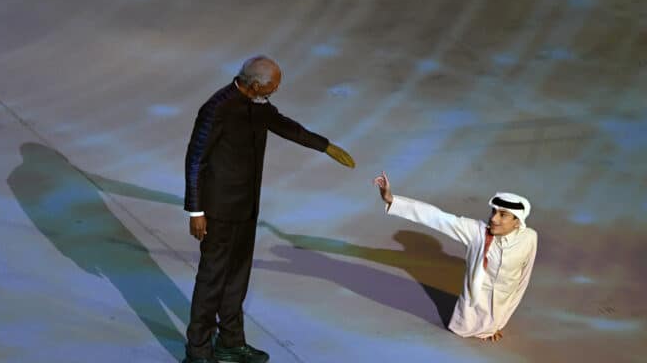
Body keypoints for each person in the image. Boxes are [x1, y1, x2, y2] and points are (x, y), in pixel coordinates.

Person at [183, 55, 355, 363]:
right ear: (256, 85)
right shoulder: (217, 108)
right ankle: (198, 352)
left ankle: (230, 343)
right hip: (218, 212)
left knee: (237, 279)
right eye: (273, 86)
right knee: (211, 280)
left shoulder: (258, 107)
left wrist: (324, 145)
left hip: (246, 210)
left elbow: (286, 126)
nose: (275, 91)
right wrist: (196, 211)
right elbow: (196, 159)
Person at [373, 171, 537, 342]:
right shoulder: (477, 233)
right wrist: (392, 199)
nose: (494, 218)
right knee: (462, 329)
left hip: (503, 303)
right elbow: (437, 217)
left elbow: (523, 279)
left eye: (503, 215)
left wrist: (498, 324)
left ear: (517, 221)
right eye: (494, 211)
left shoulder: (530, 238)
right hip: (473, 305)